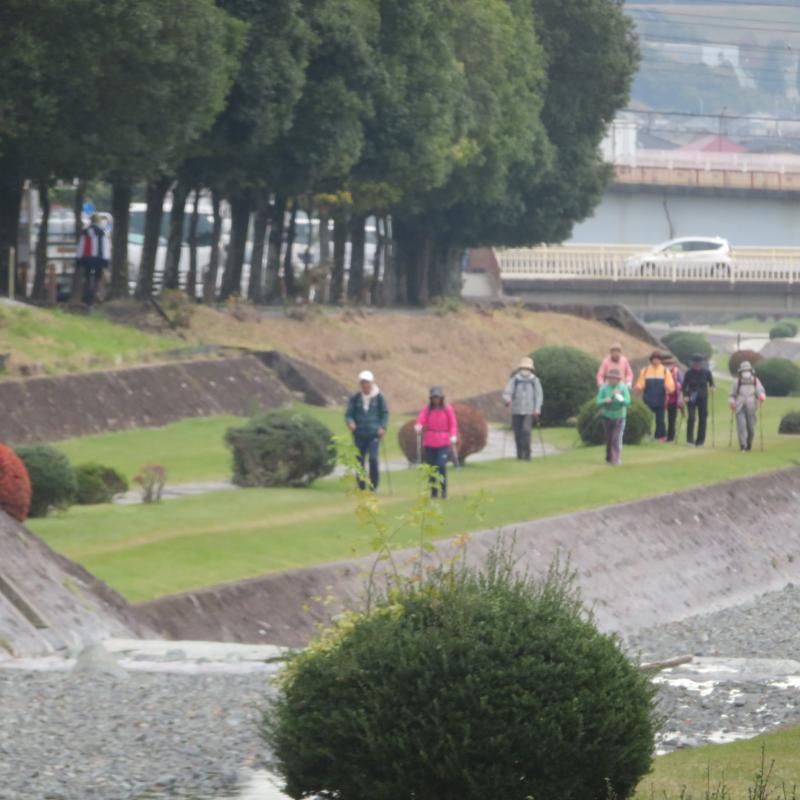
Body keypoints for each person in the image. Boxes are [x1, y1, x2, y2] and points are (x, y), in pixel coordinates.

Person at [345, 370, 388, 491]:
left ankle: (373, 486)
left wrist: (383, 427)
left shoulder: (379, 397)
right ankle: (361, 486)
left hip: (374, 434)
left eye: (367, 382)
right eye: (363, 382)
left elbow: (384, 413)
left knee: (373, 459)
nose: (365, 385)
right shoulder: (355, 398)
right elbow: (349, 414)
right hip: (359, 434)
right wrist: (350, 422)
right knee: (359, 461)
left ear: (371, 383)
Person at [414, 386, 458, 499]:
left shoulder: (447, 409)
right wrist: (419, 425)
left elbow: (453, 424)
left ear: (441, 398)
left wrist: (453, 435)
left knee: (441, 465)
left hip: (443, 441)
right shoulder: (427, 409)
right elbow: (422, 418)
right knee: (431, 467)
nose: (436, 399)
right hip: (429, 442)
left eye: (437, 397)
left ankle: (443, 490)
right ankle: (433, 492)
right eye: (434, 397)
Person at [502, 356, 543, 460]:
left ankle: (527, 454)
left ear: (531, 370)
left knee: (526, 431)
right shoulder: (515, 380)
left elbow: (539, 396)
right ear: (520, 369)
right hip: (516, 410)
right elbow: (507, 392)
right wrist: (508, 399)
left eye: (527, 369)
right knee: (517, 432)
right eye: (524, 368)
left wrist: (537, 409)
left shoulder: (535, 381)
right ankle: (519, 454)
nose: (525, 370)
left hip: (529, 411)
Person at [635, 351, 675, 442]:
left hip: (660, 399)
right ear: (651, 360)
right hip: (648, 398)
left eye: (658, 359)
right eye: (654, 359)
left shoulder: (665, 371)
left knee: (660, 420)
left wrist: (668, 387)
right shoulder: (645, 371)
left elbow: (671, 386)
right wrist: (637, 388)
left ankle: (660, 437)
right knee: (647, 418)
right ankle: (646, 434)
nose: (656, 361)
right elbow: (640, 383)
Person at [595, 366, 631, 466]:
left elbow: (627, 402)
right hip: (606, 416)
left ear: (618, 379)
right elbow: (598, 401)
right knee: (609, 438)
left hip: (619, 416)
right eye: (609, 378)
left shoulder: (623, 388)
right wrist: (604, 400)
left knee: (615, 438)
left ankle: (615, 459)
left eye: (613, 378)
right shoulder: (604, 388)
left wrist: (620, 397)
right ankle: (608, 458)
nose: (611, 380)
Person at [728, 361, 766, 452]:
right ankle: (743, 445)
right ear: (741, 371)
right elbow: (732, 395)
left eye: (747, 370)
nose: (745, 372)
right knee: (741, 426)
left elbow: (760, 391)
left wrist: (761, 396)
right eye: (744, 370)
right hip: (739, 407)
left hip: (752, 407)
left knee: (751, 428)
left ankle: (749, 444)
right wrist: (732, 402)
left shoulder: (755, 380)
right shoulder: (737, 381)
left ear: (750, 371)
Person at [76, 213, 110, 305]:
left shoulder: (85, 232)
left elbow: (81, 246)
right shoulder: (101, 232)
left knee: (87, 277)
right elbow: (105, 247)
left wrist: (78, 258)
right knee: (96, 278)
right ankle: (94, 296)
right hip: (98, 259)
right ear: (98, 221)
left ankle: (87, 297)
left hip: (87, 259)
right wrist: (106, 260)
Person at [682, 353, 715, 447]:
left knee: (702, 419)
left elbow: (711, 383)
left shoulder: (707, 372)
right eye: (695, 363)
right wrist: (685, 396)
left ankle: (700, 441)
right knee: (691, 417)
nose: (697, 365)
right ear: (692, 363)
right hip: (691, 397)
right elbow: (684, 386)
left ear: (701, 363)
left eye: (699, 363)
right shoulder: (688, 373)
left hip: (703, 397)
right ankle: (689, 440)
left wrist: (712, 387)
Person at [661, 354, 684, 443]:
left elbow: (682, 383)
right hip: (662, 398)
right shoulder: (661, 372)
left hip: (673, 399)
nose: (668, 366)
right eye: (666, 364)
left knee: (672, 419)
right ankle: (661, 436)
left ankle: (671, 437)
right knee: (661, 419)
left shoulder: (677, 372)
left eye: (670, 364)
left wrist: (678, 386)